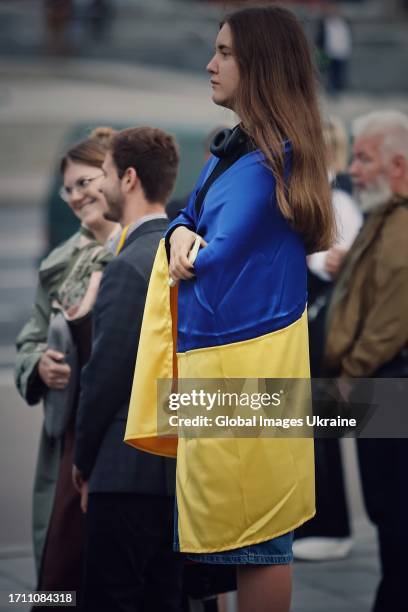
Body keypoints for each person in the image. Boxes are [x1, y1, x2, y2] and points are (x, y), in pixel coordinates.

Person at [125, 7, 334, 612]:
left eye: (224, 53)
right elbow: (192, 219)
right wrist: (179, 233)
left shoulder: (272, 158)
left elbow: (206, 257)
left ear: (261, 65)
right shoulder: (243, 147)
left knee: (258, 542)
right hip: (237, 367)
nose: (209, 64)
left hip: (248, 367)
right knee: (235, 538)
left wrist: (182, 241)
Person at [73, 127, 184, 612]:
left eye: (108, 176)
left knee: (109, 598)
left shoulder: (130, 265)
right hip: (180, 468)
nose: (100, 188)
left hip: (126, 469)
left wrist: (82, 458)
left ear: (131, 179)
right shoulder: (185, 253)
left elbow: (105, 375)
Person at [14, 128, 119, 602]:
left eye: (88, 182)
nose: (78, 196)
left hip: (125, 433)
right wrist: (40, 366)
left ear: (118, 179)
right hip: (69, 439)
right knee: (61, 572)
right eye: (70, 187)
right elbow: (30, 340)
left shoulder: (145, 250)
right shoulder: (58, 263)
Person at [324, 110, 408, 612]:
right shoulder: (383, 213)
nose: (353, 168)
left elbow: (391, 316)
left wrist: (351, 374)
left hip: (388, 386)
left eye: (364, 158)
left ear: (398, 165)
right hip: (380, 385)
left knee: (397, 520)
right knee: (388, 519)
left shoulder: (400, 222)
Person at [294, 116, 362, 561]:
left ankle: (330, 525)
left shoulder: (336, 200)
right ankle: (321, 522)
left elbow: (335, 263)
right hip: (316, 326)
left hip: (323, 330)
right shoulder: (329, 197)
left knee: (320, 427)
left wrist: (317, 261)